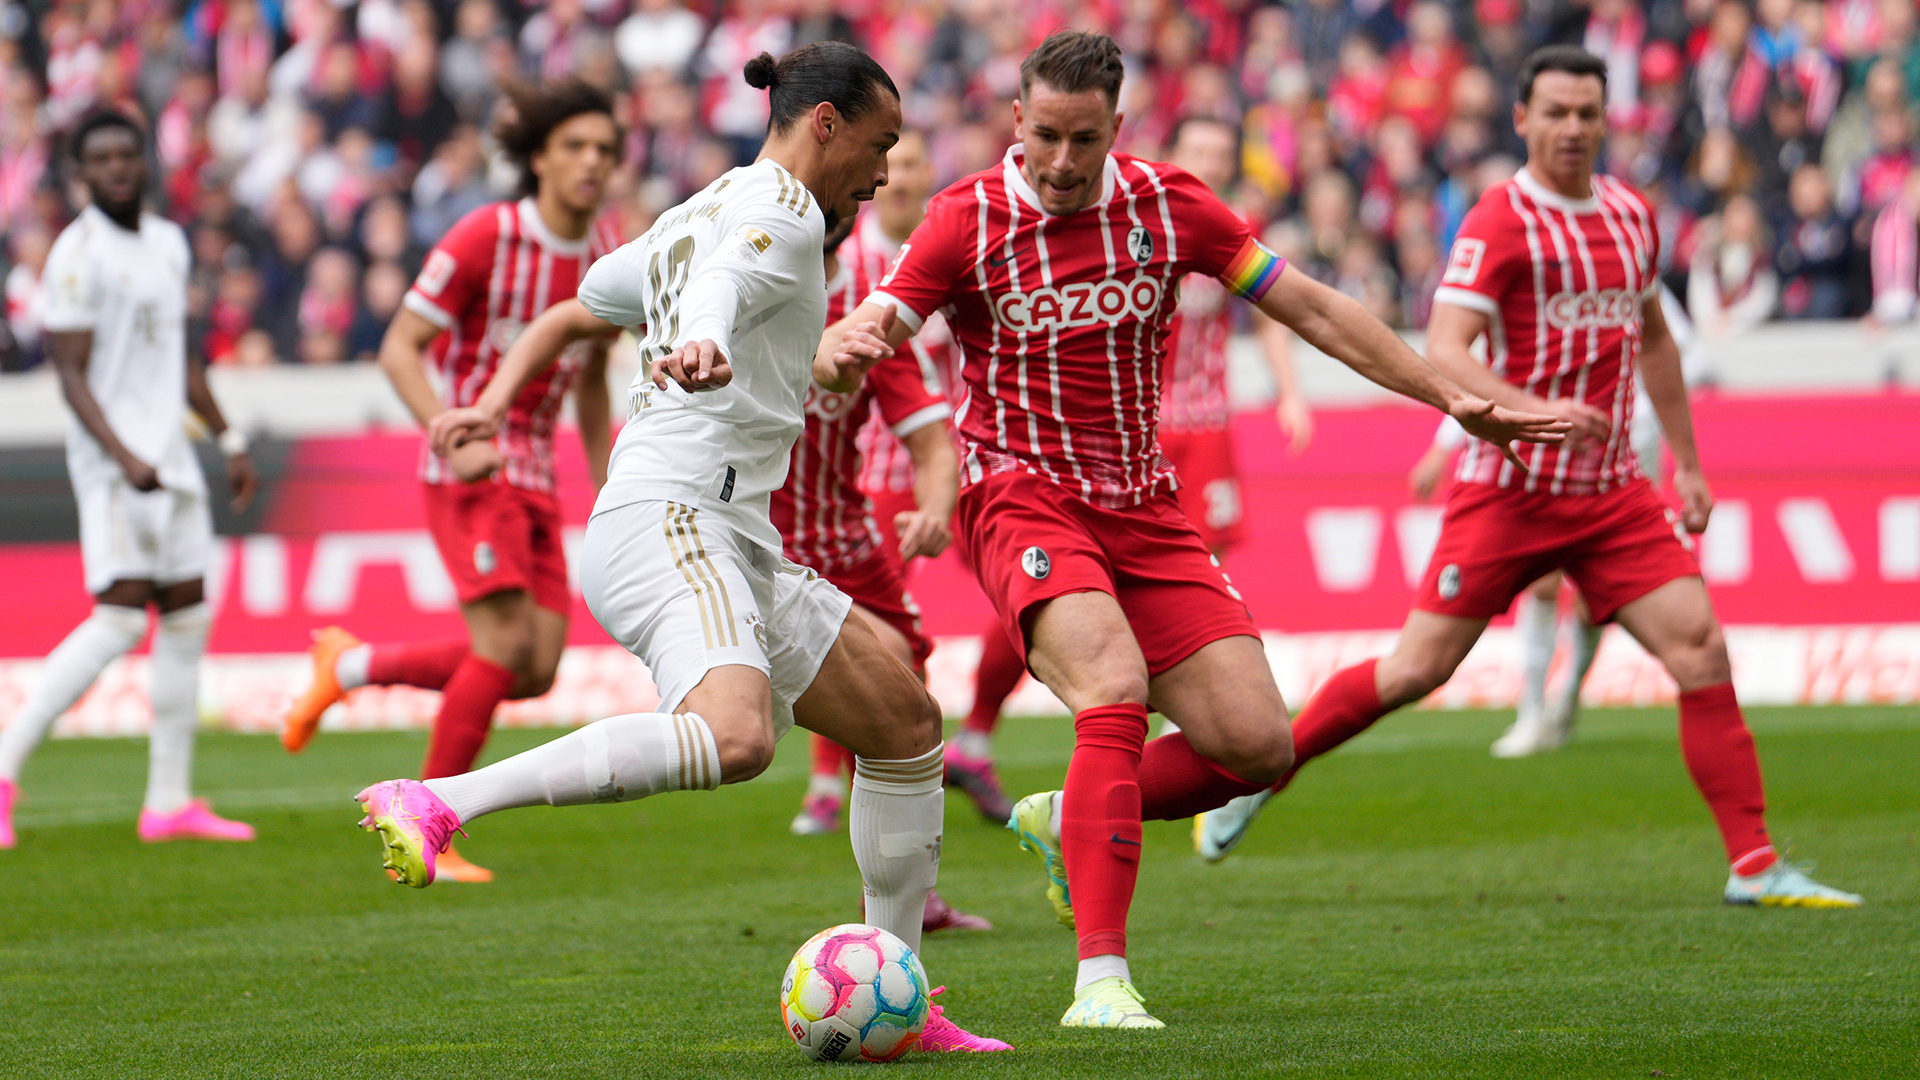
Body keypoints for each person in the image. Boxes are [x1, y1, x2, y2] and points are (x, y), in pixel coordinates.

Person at [816, 30, 1564, 1029]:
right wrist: (848, 343)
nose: (1065, 161)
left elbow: (1315, 308)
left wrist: (1447, 397)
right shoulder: (965, 219)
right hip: (1020, 494)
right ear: (1016, 124)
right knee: (1113, 689)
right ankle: (1101, 981)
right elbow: (877, 327)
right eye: (1046, 136)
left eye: (1086, 139)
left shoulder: (1170, 206)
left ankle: (1072, 817)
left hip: (1146, 505)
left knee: (1257, 746)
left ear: (1118, 128)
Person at [371, 43, 1008, 1052]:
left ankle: (907, 998)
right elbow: (722, 283)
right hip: (676, 516)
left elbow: (570, 313)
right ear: (827, 126)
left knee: (903, 723)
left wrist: (487, 404)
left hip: (728, 528)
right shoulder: (784, 210)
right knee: (739, 737)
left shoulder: (691, 210)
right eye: (879, 146)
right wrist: (704, 335)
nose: (883, 173)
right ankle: (442, 798)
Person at [1192, 46, 1862, 911]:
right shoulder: (1500, 220)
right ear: (1523, 119)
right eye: (1556, 112)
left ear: (1605, 118)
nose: (1574, 128)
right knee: (1415, 669)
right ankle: (1262, 778)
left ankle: (1754, 863)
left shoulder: (1629, 214)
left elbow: (1652, 339)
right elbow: (1445, 350)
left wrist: (1688, 463)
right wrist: (1533, 407)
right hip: (1508, 486)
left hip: (1613, 490)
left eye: (1588, 112)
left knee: (1701, 648)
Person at [279, 80, 623, 883]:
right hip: (467, 466)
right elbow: (400, 345)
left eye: (604, 151)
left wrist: (610, 478)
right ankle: (429, 816)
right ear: (538, 158)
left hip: (537, 473)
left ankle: (349, 669)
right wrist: (449, 428)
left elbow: (597, 376)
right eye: (575, 146)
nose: (591, 163)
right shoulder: (485, 235)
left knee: (532, 667)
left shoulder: (605, 258)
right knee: (501, 647)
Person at [0, 110, 258, 848]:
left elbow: (181, 359)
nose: (117, 167)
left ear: (143, 163)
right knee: (116, 621)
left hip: (169, 461)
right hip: (116, 469)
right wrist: (120, 456)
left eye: (126, 154)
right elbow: (71, 373)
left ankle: (169, 802)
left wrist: (230, 438)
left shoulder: (169, 244)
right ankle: (4, 767)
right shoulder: (77, 256)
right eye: (101, 157)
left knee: (185, 617)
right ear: (82, 173)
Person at [779, 202, 992, 935]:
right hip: (752, 540)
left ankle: (910, 895)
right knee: (878, 670)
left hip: (842, 541)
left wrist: (936, 508)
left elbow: (936, 445)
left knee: (910, 694)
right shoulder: (737, 291)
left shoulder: (872, 317)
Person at [842, 131, 1018, 826]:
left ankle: (974, 739)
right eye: (894, 163)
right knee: (862, 633)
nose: (903, 175)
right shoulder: (850, 259)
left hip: (966, 459)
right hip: (877, 470)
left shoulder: (952, 249)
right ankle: (839, 786)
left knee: (1025, 596)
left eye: (917, 163)